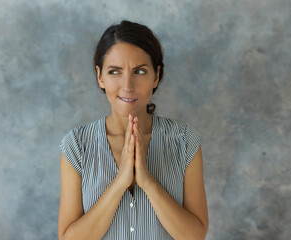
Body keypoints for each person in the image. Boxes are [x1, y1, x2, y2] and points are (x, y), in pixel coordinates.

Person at [58, 20, 208, 240]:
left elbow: (195, 236)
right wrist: (120, 183)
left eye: (139, 71)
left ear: (156, 76)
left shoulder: (184, 141)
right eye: (114, 71)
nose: (127, 85)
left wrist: (147, 181)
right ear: (100, 76)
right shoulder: (76, 145)